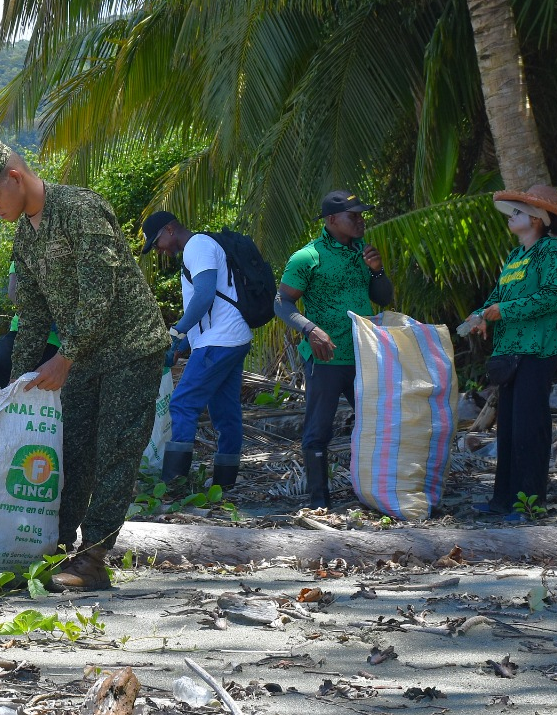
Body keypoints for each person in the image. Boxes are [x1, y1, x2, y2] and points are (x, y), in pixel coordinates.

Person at [0, 142, 169, 591]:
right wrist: (16, 383)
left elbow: (101, 291)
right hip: (84, 356)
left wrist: (65, 357)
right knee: (69, 453)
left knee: (116, 449)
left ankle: (93, 558)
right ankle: (53, 549)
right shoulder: (26, 236)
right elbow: (33, 315)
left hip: (131, 346)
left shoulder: (79, 208)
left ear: (14, 178)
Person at [460, 184, 557, 520]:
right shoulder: (515, 256)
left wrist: (504, 311)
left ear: (538, 220)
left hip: (538, 350)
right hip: (509, 350)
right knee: (509, 427)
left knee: (530, 427)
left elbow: (553, 296)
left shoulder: (552, 252)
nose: (511, 217)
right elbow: (497, 295)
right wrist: (481, 315)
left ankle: (529, 504)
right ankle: (503, 501)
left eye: (518, 212)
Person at [275, 189, 395, 508]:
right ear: (331, 220)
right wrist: (311, 329)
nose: (360, 220)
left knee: (376, 424)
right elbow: (282, 302)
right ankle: (319, 502)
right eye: (352, 215)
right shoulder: (308, 257)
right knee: (319, 430)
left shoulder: (363, 253)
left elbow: (383, 298)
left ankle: (377, 493)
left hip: (364, 357)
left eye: (361, 214)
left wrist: (378, 270)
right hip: (325, 359)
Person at [140, 211, 253, 491]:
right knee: (225, 411)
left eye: (157, 243)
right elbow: (210, 307)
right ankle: (225, 484)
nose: (159, 250)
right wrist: (184, 344)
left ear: (169, 229)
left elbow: (204, 295)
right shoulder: (199, 248)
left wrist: (175, 332)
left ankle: (174, 483)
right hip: (231, 338)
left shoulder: (197, 246)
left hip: (220, 341)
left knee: (182, 404)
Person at [0, 262, 59, 391]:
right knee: (1, 361)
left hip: (57, 339)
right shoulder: (25, 251)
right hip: (21, 329)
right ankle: (5, 405)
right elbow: (13, 291)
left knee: (41, 377)